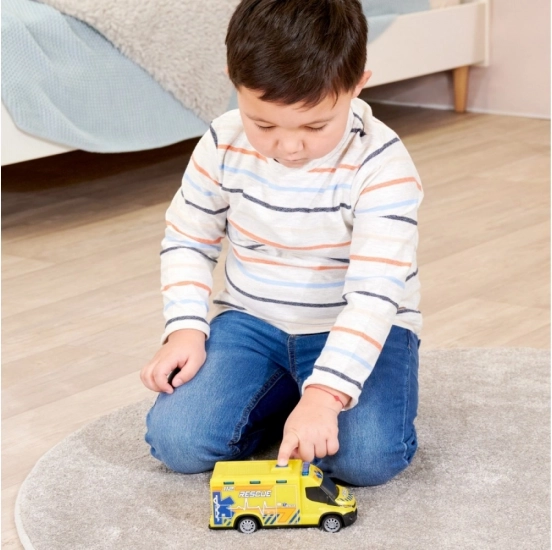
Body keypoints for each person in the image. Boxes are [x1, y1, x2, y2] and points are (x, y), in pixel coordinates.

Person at [141, 0, 423, 487]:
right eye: (264, 124)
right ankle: (285, 400)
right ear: (234, 83)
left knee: (366, 459)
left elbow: (374, 296)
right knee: (177, 441)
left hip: (359, 324)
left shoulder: (382, 165)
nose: (289, 147)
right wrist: (185, 329)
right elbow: (188, 239)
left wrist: (327, 395)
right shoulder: (221, 142)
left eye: (315, 126)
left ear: (357, 85)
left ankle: (308, 396)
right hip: (252, 323)